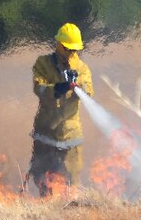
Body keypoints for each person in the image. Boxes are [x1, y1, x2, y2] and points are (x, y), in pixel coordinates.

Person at [29, 23, 94, 195]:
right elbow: (39, 89)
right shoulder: (43, 64)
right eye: (67, 49)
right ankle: (46, 208)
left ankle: (69, 213)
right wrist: (57, 88)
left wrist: (77, 86)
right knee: (43, 178)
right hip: (46, 132)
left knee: (71, 182)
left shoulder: (81, 68)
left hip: (70, 135)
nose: (70, 53)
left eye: (74, 50)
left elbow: (89, 92)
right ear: (58, 45)